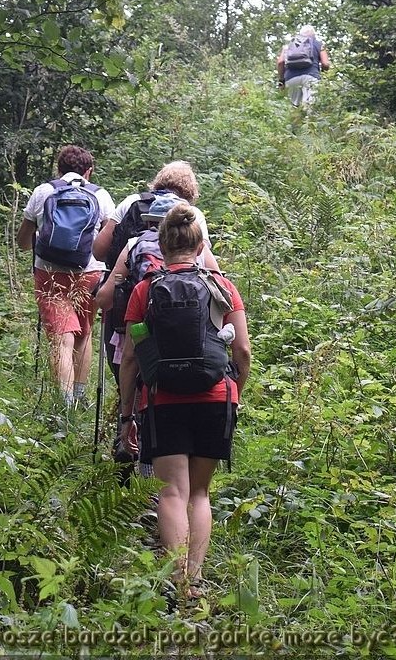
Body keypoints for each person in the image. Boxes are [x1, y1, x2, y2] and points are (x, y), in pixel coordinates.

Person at [117, 203, 251, 597]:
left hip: (163, 400)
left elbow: (130, 358)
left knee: (171, 491)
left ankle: (177, 580)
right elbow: (242, 351)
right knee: (199, 492)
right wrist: (235, 393)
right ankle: (195, 577)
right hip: (216, 398)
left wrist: (126, 416)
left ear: (161, 246)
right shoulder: (222, 287)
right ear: (201, 245)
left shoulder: (145, 290)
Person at [95, 193, 219, 481]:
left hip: (143, 340)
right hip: (196, 353)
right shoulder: (201, 253)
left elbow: (105, 299)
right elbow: (220, 290)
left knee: (143, 398)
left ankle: (142, 473)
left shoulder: (134, 245)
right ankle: (167, 478)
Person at [17, 145, 115, 408]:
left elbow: (23, 242)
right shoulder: (101, 195)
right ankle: (80, 397)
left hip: (50, 274)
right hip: (90, 273)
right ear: (89, 171)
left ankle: (65, 404)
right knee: (84, 333)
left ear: (59, 169)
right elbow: (109, 241)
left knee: (62, 337)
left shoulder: (43, 192)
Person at [276, 24, 331, 108]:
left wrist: (281, 81)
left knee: (293, 108)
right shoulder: (318, 44)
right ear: (313, 35)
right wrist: (323, 77)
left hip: (291, 79)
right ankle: (308, 115)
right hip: (311, 77)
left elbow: (280, 62)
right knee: (310, 107)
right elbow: (325, 64)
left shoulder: (289, 45)